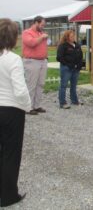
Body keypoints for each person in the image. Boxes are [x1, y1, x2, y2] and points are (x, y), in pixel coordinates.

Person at [0, 18, 31, 207]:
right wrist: (27, 106)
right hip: (11, 110)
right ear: (13, 37)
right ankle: (9, 195)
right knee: (11, 152)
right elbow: (20, 90)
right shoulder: (13, 59)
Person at [22, 16, 48, 115]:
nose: (43, 27)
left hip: (42, 61)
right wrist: (41, 37)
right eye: (42, 25)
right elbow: (31, 43)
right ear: (36, 23)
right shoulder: (27, 33)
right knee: (31, 85)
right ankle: (28, 107)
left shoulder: (41, 33)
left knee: (40, 84)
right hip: (31, 61)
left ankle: (36, 106)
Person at [57, 30, 84, 109]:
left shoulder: (77, 45)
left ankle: (74, 100)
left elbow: (81, 56)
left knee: (73, 86)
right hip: (66, 68)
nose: (73, 37)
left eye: (74, 36)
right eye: (71, 36)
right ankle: (62, 103)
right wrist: (68, 65)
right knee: (63, 85)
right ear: (67, 37)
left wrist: (79, 65)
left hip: (76, 69)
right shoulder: (63, 45)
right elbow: (59, 57)